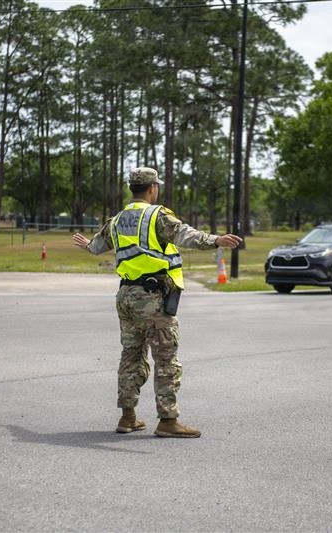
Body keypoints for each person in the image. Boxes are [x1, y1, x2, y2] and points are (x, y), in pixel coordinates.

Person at [73, 167, 242, 438]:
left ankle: (128, 418)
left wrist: (86, 245)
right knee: (166, 359)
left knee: (131, 355)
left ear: (133, 188)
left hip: (126, 296)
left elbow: (96, 246)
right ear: (152, 188)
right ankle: (167, 420)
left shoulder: (117, 219)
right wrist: (216, 240)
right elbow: (186, 235)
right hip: (153, 299)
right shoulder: (156, 215)